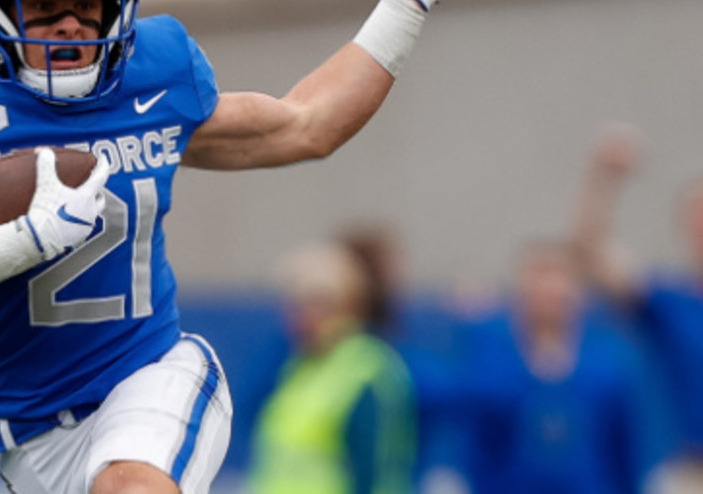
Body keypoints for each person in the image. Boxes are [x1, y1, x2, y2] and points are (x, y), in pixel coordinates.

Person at [0, 0, 453, 493]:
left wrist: (402, 6)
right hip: (26, 437)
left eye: (90, 5)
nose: (72, 26)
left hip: (149, 378)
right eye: (44, 6)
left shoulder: (152, 77)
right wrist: (26, 237)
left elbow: (307, 124)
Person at [460, 241, 655, 494]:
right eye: (539, 276)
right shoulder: (490, 362)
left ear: (578, 290)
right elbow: (475, 446)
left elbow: (626, 451)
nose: (549, 288)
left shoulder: (608, 363)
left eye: (558, 275)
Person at [573, 123, 703, 490]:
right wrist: (603, 179)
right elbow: (592, 252)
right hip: (690, 472)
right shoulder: (670, 302)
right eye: (696, 216)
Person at [249, 243, 415, 494]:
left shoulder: (368, 371)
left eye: (311, 304)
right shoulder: (299, 366)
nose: (297, 318)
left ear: (345, 307)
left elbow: (377, 474)